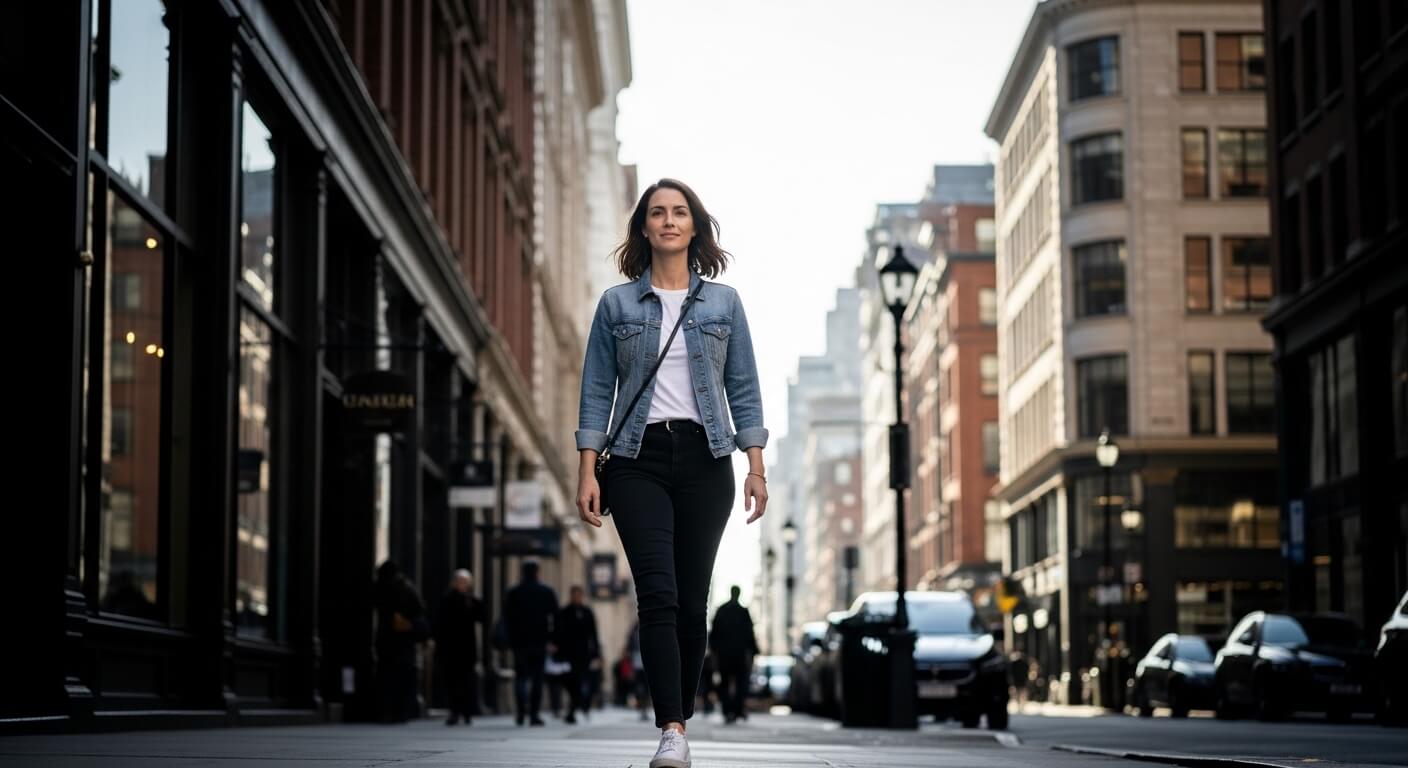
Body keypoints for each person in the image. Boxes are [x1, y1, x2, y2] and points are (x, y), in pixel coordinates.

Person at [575, 178, 769, 768]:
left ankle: (679, 715)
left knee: (690, 601)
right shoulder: (616, 305)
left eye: (679, 212)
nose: (668, 221)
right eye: (657, 212)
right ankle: (673, 729)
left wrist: (755, 466)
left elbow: (744, 388)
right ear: (643, 227)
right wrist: (588, 469)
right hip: (636, 461)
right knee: (655, 593)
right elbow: (596, 393)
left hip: (708, 459)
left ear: (694, 226)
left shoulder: (724, 304)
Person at [503, 559, 558, 726]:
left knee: (520, 677)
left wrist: (510, 638)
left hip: (519, 641)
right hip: (539, 641)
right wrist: (552, 639)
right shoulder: (546, 591)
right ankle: (533, 714)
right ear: (537, 571)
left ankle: (520, 712)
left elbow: (507, 617)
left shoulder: (514, 592)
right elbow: (555, 617)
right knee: (537, 679)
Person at [374, 561, 429, 723]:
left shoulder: (382, 586)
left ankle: (386, 711)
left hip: (387, 638)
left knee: (386, 676)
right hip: (405, 640)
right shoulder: (407, 586)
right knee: (403, 676)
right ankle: (402, 712)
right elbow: (420, 608)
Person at [436, 569, 486, 725]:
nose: (462, 585)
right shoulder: (447, 599)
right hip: (451, 646)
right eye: (459, 581)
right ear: (454, 583)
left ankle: (467, 711)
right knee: (452, 681)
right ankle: (454, 711)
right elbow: (440, 622)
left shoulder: (472, 600)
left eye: (465, 582)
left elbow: (482, 617)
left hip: (467, 647)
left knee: (467, 681)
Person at [709, 586, 759, 724]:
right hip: (739, 655)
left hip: (724, 654)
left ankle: (728, 710)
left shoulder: (722, 610)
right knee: (741, 682)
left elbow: (714, 634)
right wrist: (753, 652)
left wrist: (714, 652)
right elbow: (750, 634)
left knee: (725, 682)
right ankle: (736, 709)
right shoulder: (743, 612)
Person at [553, 585, 602, 724]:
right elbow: (557, 631)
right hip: (566, 654)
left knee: (579, 683)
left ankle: (572, 711)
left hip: (583, 655)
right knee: (568, 682)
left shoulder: (587, 613)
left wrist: (596, 654)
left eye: (579, 595)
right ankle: (573, 708)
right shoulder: (564, 612)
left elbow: (593, 634)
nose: (577, 597)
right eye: (574, 595)